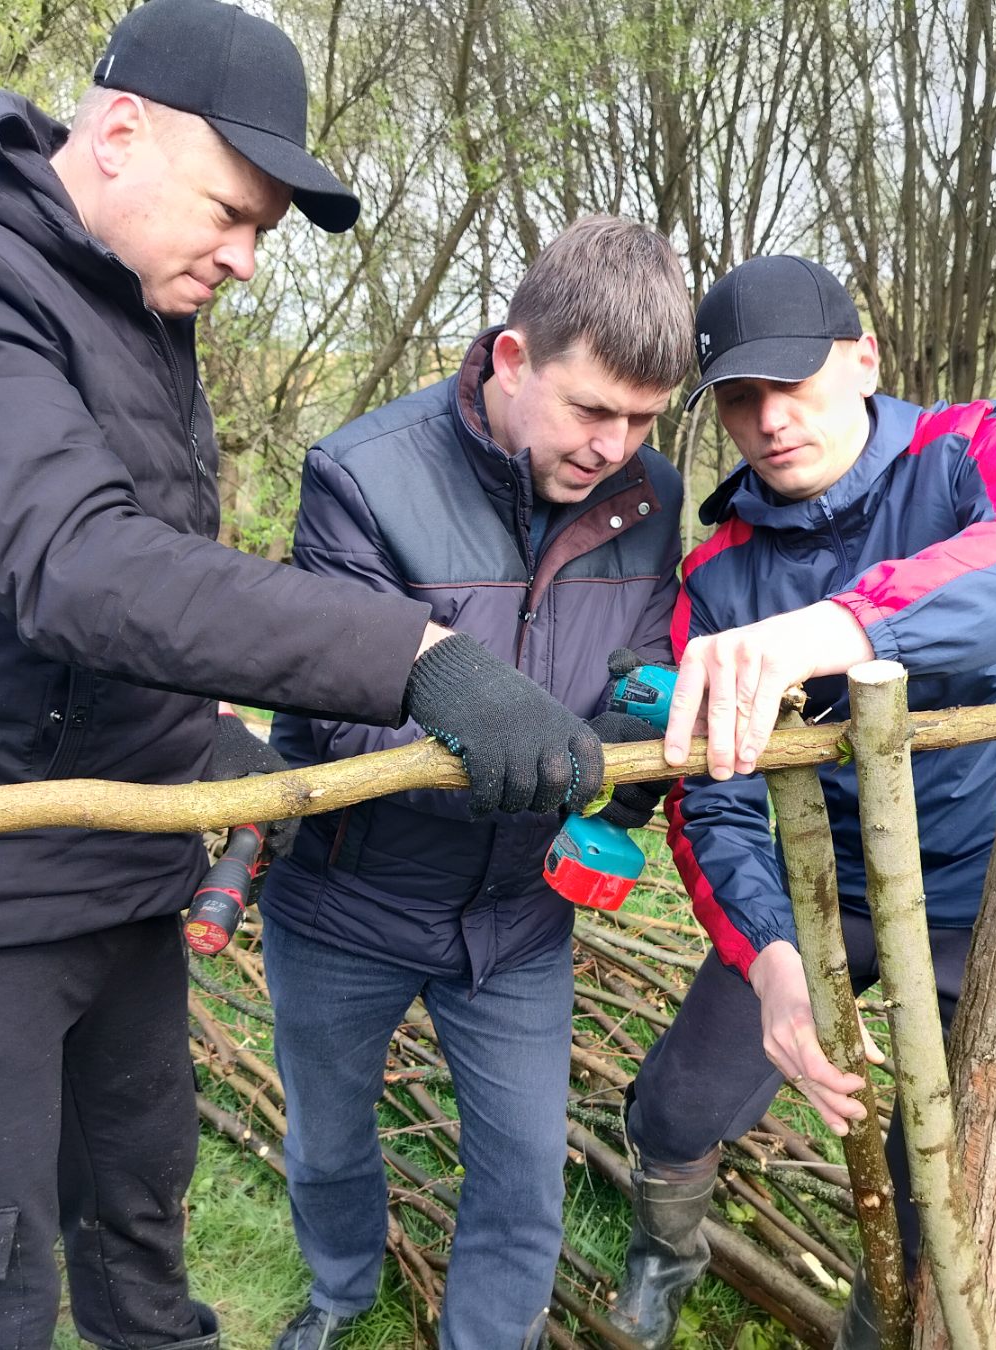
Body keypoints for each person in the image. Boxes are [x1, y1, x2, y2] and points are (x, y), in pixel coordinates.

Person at [0, 3, 607, 1346]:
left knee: (139, 1222)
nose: (242, 258)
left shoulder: (130, 298)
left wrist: (198, 741)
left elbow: (146, 590)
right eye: (230, 213)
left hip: (120, 853)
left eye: (262, 235)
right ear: (120, 134)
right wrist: (412, 654)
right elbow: (73, 563)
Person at [609, 255, 996, 1349]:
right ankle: (664, 1247)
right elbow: (716, 802)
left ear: (865, 359)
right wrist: (775, 958)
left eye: (794, 381)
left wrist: (840, 628)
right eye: (740, 398)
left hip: (989, 893)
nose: (771, 420)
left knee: (955, 1153)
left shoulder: (976, 451)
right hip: (817, 887)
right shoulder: (718, 577)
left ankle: (886, 1318)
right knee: (678, 1105)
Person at [254, 216, 691, 1350]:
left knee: (523, 1171)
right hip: (347, 902)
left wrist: (624, 763)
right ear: (511, 359)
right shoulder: (360, 476)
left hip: (521, 920)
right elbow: (342, 725)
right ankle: (343, 1291)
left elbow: (643, 672)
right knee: (331, 1136)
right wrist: (531, 748)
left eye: (644, 419)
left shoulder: (651, 496)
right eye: (593, 410)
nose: (616, 447)